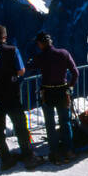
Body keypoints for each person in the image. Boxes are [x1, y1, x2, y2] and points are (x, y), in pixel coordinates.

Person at [27, 31, 78, 164]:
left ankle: (55, 153)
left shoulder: (40, 57)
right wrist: (70, 87)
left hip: (47, 93)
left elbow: (28, 67)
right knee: (65, 122)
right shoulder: (64, 53)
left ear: (40, 44)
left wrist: (30, 60)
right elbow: (75, 73)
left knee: (50, 124)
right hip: (63, 92)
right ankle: (69, 151)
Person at [0, 24, 34, 169]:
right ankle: (27, 153)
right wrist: (14, 74)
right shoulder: (12, 50)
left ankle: (5, 157)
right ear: (5, 36)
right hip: (12, 93)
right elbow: (21, 70)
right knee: (20, 124)